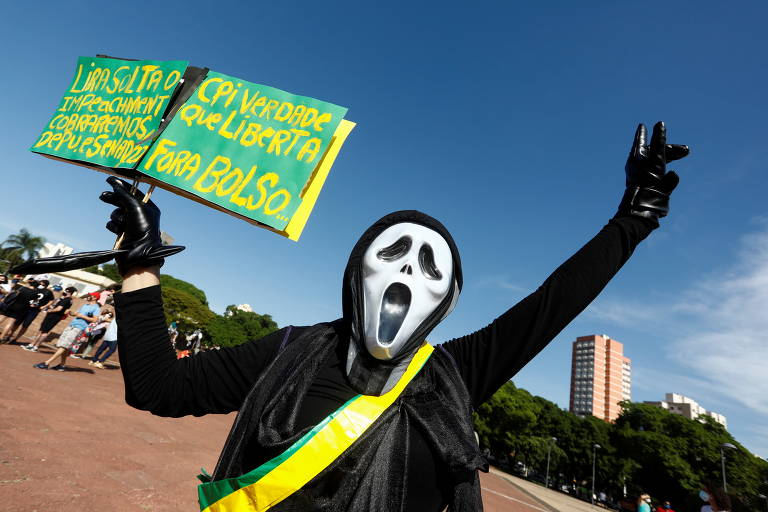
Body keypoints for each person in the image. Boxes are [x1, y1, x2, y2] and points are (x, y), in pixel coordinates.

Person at [15, 122, 689, 511]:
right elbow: (157, 388)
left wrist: (634, 219)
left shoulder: (454, 375)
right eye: (393, 254)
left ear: (448, 302)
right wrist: (140, 267)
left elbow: (551, 304)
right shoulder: (289, 350)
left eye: (430, 267)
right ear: (354, 273)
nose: (407, 274)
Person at [32, 292, 100, 371]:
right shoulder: (85, 305)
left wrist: (82, 316)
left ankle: (46, 363)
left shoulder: (96, 308)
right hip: (71, 325)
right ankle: (62, 365)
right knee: (64, 346)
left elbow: (95, 320)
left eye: (90, 295)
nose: (88, 296)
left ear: (95, 298)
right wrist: (71, 313)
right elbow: (77, 314)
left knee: (64, 346)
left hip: (79, 328)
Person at [22, 286, 77, 352]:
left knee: (43, 331)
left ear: (68, 291)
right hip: (56, 317)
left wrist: (50, 310)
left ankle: (34, 346)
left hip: (53, 316)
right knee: (43, 330)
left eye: (65, 290)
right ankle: (33, 345)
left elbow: (59, 309)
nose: (64, 291)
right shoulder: (70, 300)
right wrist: (52, 307)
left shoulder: (66, 300)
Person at [10, 274, 54, 343]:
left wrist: (44, 306)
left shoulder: (48, 292)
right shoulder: (35, 288)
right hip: (25, 307)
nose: (39, 283)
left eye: (41, 282)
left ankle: (16, 338)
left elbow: (52, 300)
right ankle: (10, 335)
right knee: (17, 322)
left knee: (25, 325)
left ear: (44, 284)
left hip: (34, 310)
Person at [0, 276, 42, 343]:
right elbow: (34, 304)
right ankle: (1, 337)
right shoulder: (35, 293)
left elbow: (13, 294)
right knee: (11, 322)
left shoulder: (23, 288)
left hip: (12, 305)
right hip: (21, 308)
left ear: (30, 284)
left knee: (2, 318)